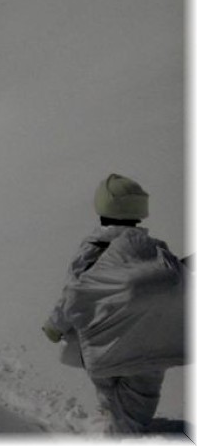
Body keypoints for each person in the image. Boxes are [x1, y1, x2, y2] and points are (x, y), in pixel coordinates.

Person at [42, 174, 185, 435]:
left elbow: (74, 292)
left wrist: (55, 325)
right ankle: (113, 432)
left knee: (111, 405)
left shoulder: (93, 250)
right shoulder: (154, 249)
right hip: (150, 351)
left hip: (104, 349)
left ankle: (105, 431)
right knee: (134, 414)